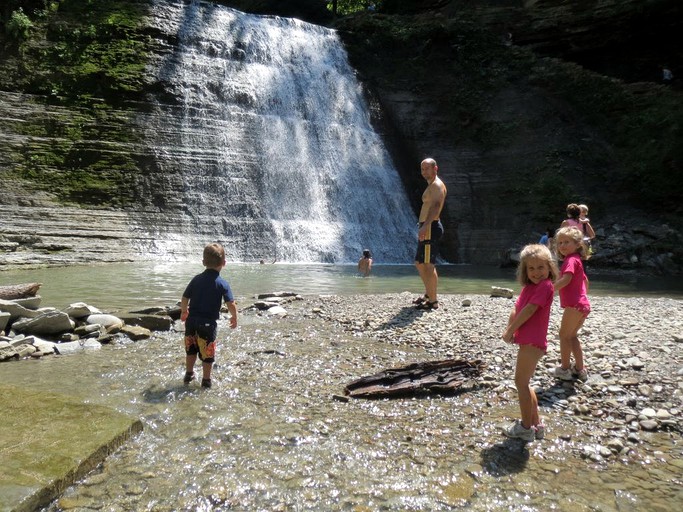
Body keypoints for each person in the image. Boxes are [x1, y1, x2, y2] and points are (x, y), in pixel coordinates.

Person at [501, 244, 558, 442]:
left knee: (521, 383)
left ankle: (525, 428)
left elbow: (530, 310)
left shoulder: (545, 286)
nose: (536, 272)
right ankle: (536, 425)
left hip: (534, 341)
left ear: (550, 267)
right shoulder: (529, 287)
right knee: (526, 384)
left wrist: (510, 330)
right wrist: (511, 328)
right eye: (531, 268)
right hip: (528, 340)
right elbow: (518, 308)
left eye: (541, 267)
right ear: (524, 270)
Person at [180, 242, 238, 388]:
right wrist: (234, 317)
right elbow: (230, 303)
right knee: (208, 354)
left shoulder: (196, 279)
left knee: (191, 349)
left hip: (191, 322)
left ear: (203, 262)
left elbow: (185, 297)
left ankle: (189, 373)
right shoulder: (222, 283)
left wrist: (184, 311)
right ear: (224, 263)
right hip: (208, 324)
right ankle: (206, 380)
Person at [553, 227, 591, 382]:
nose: (562, 245)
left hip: (574, 305)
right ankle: (580, 369)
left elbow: (567, 279)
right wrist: (583, 296)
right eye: (560, 242)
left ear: (577, 244)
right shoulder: (577, 260)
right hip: (582, 305)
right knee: (572, 335)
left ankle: (564, 369)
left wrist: (549, 289)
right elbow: (585, 281)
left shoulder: (570, 260)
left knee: (563, 335)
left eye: (566, 242)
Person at [413, 157, 447, 310]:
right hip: (428, 227)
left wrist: (425, 226)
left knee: (427, 265)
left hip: (431, 227)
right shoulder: (431, 185)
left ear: (435, 168)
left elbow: (436, 206)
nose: (424, 171)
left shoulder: (437, 185)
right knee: (420, 263)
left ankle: (433, 301)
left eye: (427, 168)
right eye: (422, 169)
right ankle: (429, 293)